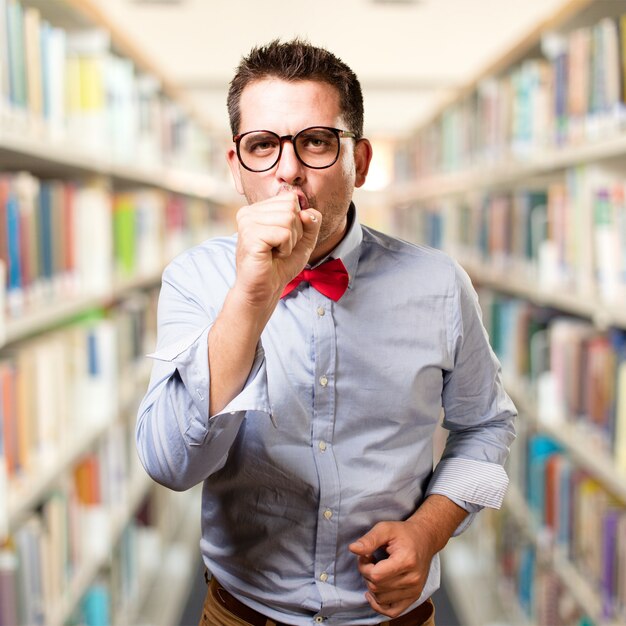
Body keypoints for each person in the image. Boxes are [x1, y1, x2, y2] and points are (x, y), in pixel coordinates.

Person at [136, 38, 516, 626]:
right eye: (262, 146)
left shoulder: (440, 284)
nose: (288, 170)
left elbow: (486, 424)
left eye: (315, 142)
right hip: (240, 613)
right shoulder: (196, 279)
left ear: (358, 163)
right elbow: (170, 466)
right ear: (236, 168)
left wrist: (430, 528)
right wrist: (251, 297)